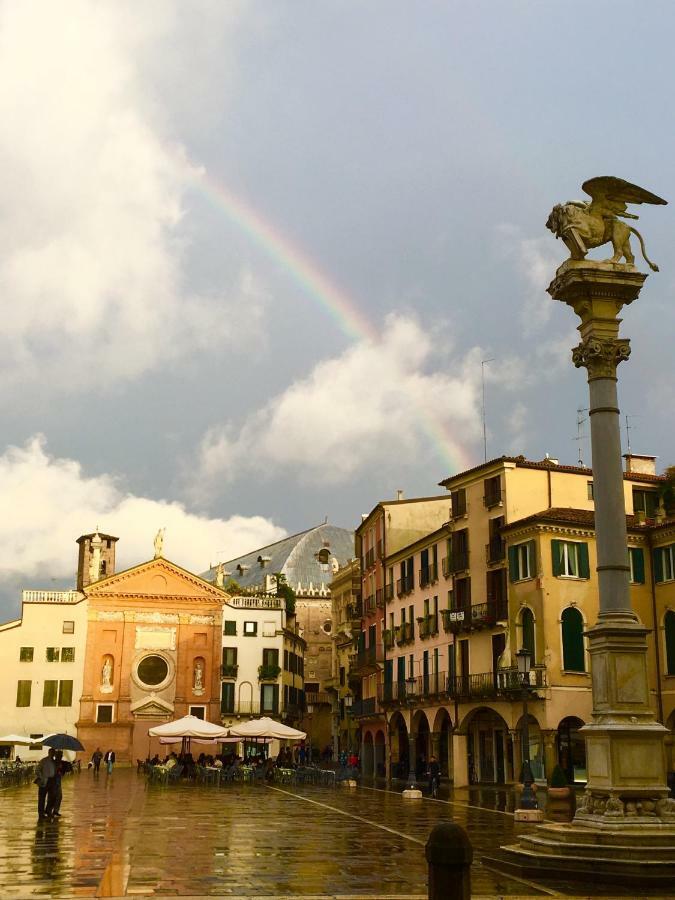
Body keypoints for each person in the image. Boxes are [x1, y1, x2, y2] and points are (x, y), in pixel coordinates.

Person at [35, 749, 56, 820]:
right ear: (49, 752)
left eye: (54, 753)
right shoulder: (44, 761)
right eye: (52, 752)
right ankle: (41, 814)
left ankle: (48, 811)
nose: (53, 754)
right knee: (42, 798)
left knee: (52, 797)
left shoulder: (54, 762)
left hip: (52, 781)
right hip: (45, 780)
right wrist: (41, 777)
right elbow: (37, 770)